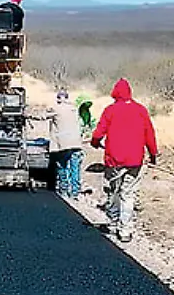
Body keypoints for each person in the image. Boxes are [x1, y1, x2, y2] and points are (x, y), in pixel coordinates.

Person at [89, 78, 158, 242]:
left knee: (114, 191)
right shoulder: (141, 110)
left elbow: (98, 133)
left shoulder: (110, 110)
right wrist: (153, 154)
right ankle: (125, 230)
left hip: (114, 160)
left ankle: (113, 223)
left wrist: (95, 143)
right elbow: (150, 134)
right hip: (135, 161)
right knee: (129, 194)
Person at [49, 89, 85, 200]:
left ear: (59, 98)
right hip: (76, 143)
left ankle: (63, 189)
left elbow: (43, 116)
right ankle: (75, 192)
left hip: (64, 143)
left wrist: (27, 115)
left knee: (62, 165)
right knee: (75, 168)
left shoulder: (56, 108)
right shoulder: (74, 109)